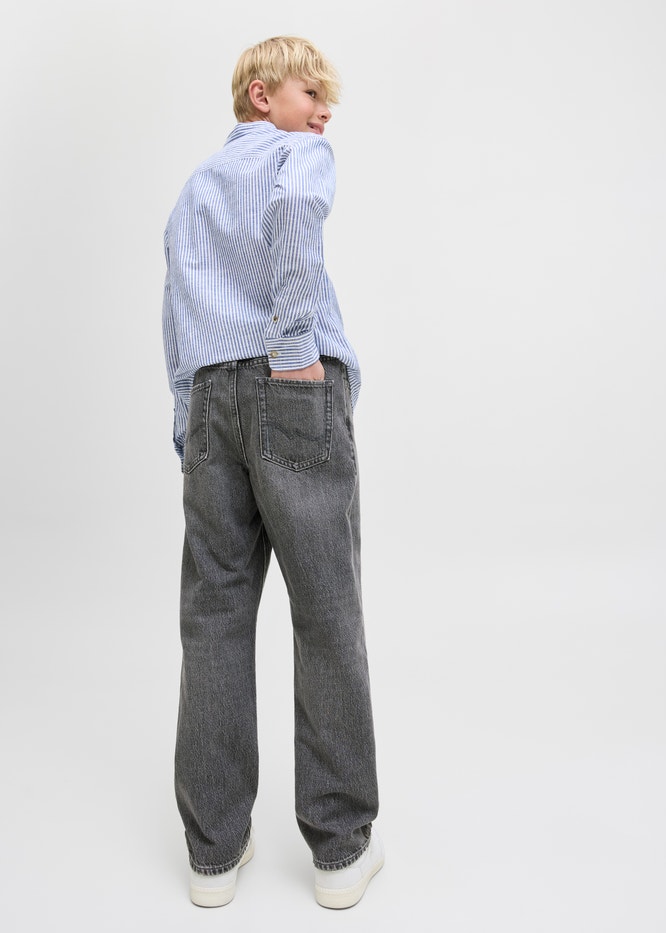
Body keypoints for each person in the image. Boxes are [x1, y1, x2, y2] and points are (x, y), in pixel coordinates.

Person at [161, 36, 382, 910]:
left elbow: (177, 301)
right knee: (326, 610)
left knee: (214, 614)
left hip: (211, 395)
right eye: (311, 91)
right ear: (262, 94)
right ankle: (340, 850)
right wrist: (295, 348)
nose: (325, 111)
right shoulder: (297, 156)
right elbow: (294, 211)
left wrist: (187, 414)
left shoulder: (195, 188)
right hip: (290, 386)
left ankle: (212, 853)